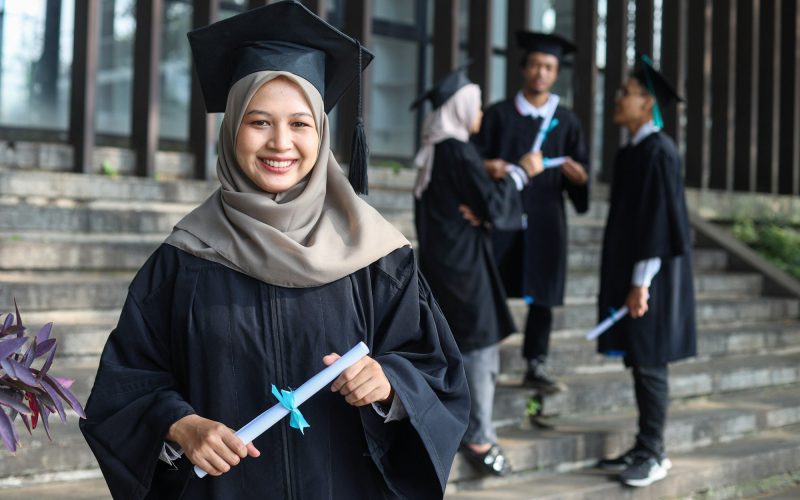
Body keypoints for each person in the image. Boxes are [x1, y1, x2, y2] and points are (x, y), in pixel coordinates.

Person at [79, 2, 470, 499]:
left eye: (301, 124)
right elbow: (125, 387)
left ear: (322, 133)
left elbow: (440, 376)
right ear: (231, 128)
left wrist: (390, 384)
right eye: (259, 121)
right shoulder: (183, 260)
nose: (280, 143)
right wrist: (179, 425)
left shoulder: (379, 259)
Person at [411, 66, 527, 477]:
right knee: (479, 350)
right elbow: (494, 208)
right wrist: (519, 173)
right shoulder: (460, 152)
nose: (480, 115)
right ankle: (479, 438)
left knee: (456, 347)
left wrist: (487, 176)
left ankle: (461, 428)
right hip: (465, 271)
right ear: (460, 109)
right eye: (476, 107)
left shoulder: (438, 150)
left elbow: (478, 201)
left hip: (444, 267)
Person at [595, 55, 696, 487]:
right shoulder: (632, 152)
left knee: (651, 361)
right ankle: (643, 444)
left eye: (626, 93)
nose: (618, 99)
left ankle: (655, 452)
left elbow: (658, 223)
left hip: (653, 279)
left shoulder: (659, 152)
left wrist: (640, 283)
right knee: (640, 360)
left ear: (647, 103)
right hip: (637, 275)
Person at [472, 31, 590, 394]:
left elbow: (580, 179)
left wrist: (580, 178)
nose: (541, 72)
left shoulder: (566, 121)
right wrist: (487, 167)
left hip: (546, 218)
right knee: (489, 285)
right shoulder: (498, 114)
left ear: (556, 74)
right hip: (503, 215)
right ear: (524, 68)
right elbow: (473, 161)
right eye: (536, 64)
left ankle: (535, 364)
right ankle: (479, 352)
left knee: (544, 294)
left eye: (549, 67)